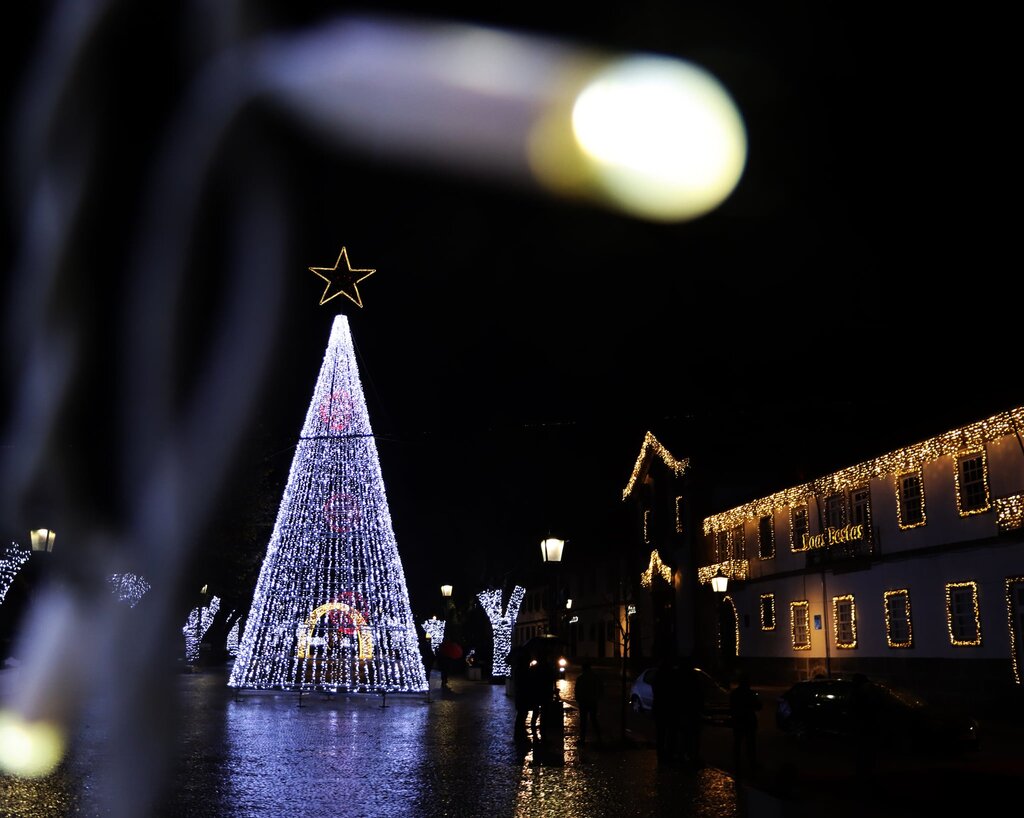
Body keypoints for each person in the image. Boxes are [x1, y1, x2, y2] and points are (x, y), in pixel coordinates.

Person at [729, 672, 761, 782]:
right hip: (748, 722)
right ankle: (751, 766)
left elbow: (732, 708)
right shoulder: (750, 693)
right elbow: (758, 706)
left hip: (739, 722)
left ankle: (737, 765)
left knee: (738, 744)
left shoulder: (735, 694)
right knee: (750, 745)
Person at [651, 658, 679, 764]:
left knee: (661, 733)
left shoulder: (657, 677)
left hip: (660, 708)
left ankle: (662, 753)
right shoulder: (671, 678)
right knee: (670, 732)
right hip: (668, 708)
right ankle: (669, 753)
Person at [677, 662, 705, 767]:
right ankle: (692, 756)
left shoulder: (682, 684)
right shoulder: (695, 685)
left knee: (685, 736)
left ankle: (684, 755)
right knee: (693, 736)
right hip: (692, 713)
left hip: (686, 713)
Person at [573, 661, 604, 745]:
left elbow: (577, 690)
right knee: (593, 719)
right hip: (592, 701)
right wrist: (597, 697)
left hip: (583, 701)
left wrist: (578, 699)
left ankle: (582, 739)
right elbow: (600, 688)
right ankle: (599, 737)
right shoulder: (595, 677)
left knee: (583, 720)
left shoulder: (581, 678)